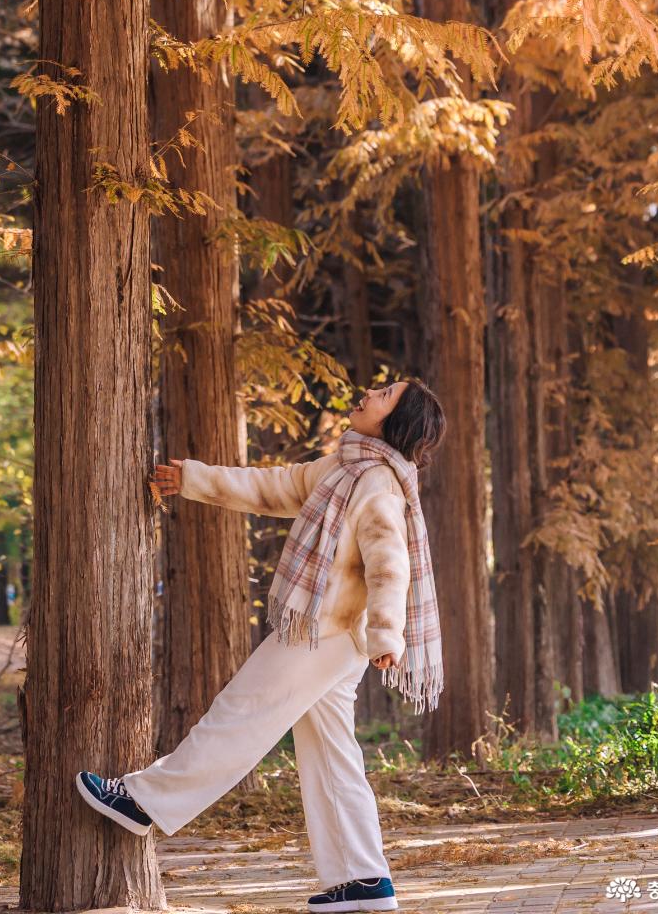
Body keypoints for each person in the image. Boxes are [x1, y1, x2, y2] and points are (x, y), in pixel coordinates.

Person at [76, 377, 447, 914]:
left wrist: (388, 634)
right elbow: (275, 487)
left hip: (327, 633)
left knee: (241, 712)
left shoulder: (376, 483)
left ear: (397, 423)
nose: (369, 393)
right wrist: (194, 479)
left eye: (385, 395)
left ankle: (143, 801)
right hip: (331, 634)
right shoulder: (343, 468)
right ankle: (363, 879)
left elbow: (390, 564)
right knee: (333, 756)